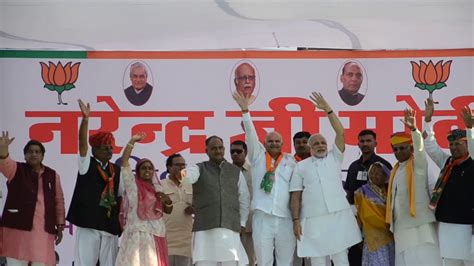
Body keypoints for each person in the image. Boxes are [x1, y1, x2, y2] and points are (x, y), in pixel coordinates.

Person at [290, 92, 362, 266]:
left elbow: (340, 132)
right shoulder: (301, 166)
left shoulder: (334, 157)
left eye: (323, 142)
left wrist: (328, 110)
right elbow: (296, 195)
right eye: (316, 144)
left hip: (337, 216)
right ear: (310, 148)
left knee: (341, 259)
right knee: (317, 260)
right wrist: (296, 221)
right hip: (313, 219)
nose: (321, 145)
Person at [233, 91, 297, 266]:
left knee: (285, 262)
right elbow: (250, 134)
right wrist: (245, 110)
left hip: (285, 217)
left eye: (277, 141)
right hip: (262, 217)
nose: (274, 144)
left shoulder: (291, 162)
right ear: (264, 143)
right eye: (270, 141)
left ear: (283, 144)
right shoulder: (258, 156)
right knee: (263, 261)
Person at [66, 99, 122, 266]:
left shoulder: (116, 170)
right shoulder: (86, 164)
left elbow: (120, 197)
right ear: (95, 150)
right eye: (105, 147)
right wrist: (85, 120)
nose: (110, 150)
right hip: (88, 223)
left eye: (111, 147)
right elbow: (82, 144)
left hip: (109, 226)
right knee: (85, 263)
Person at [385, 108, 442, 265]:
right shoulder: (395, 170)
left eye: (402, 148)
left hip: (421, 224)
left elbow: (420, 149)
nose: (398, 152)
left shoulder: (418, 164)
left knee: (426, 259)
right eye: (395, 149)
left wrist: (414, 130)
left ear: (410, 149)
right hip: (401, 226)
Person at [181, 136, 250, 265]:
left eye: (220, 148)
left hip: (230, 227)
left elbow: (244, 198)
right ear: (206, 151)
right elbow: (189, 176)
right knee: (205, 262)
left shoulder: (235, 171)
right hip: (205, 229)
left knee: (230, 261)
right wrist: (185, 175)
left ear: (224, 149)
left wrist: (243, 222)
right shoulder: (199, 168)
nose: (218, 151)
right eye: (213, 148)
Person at [0, 133, 65, 266]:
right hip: (18, 230)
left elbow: (59, 201)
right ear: (25, 155)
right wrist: (3, 150)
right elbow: (5, 163)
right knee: (16, 262)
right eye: (30, 152)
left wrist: (60, 226)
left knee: (40, 263)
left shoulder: (52, 175)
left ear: (42, 156)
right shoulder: (16, 169)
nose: (33, 154)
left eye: (37, 152)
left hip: (42, 232)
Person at [423, 99, 474, 265]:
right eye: (451, 144)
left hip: (468, 227)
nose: (453, 148)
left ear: (467, 144)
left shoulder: (473, 161)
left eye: (458, 144)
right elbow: (430, 146)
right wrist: (428, 120)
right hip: (446, 225)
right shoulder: (448, 162)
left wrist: (470, 128)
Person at [116, 132, 172, 266]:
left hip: (156, 234)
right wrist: (132, 142)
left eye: (150, 168)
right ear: (138, 171)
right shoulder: (132, 184)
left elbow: (168, 210)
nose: (147, 171)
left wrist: (167, 201)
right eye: (143, 168)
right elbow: (124, 162)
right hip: (137, 233)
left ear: (154, 171)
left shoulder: (158, 188)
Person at [344, 130, 392, 266]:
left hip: (378, 221)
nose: (365, 144)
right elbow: (349, 193)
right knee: (355, 255)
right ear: (357, 143)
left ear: (375, 143)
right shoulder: (353, 166)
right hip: (357, 219)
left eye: (368, 141)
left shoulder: (383, 165)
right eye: (362, 141)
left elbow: (389, 194)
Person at [354, 162, 395, 266]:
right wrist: (358, 236)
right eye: (371, 172)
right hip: (372, 236)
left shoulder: (391, 192)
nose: (374, 175)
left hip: (389, 235)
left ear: (385, 175)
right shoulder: (361, 192)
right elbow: (359, 215)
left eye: (378, 173)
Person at [162, 153, 194, 266]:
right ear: (169, 167)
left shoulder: (191, 185)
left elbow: (201, 206)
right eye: (177, 165)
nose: (181, 168)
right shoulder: (160, 185)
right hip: (165, 239)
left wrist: (194, 208)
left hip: (186, 240)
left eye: (183, 165)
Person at [230, 140, 255, 266]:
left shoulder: (254, 171)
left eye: (238, 151)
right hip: (229, 223)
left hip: (249, 225)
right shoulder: (225, 171)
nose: (235, 154)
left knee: (249, 259)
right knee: (230, 259)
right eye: (232, 151)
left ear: (245, 152)